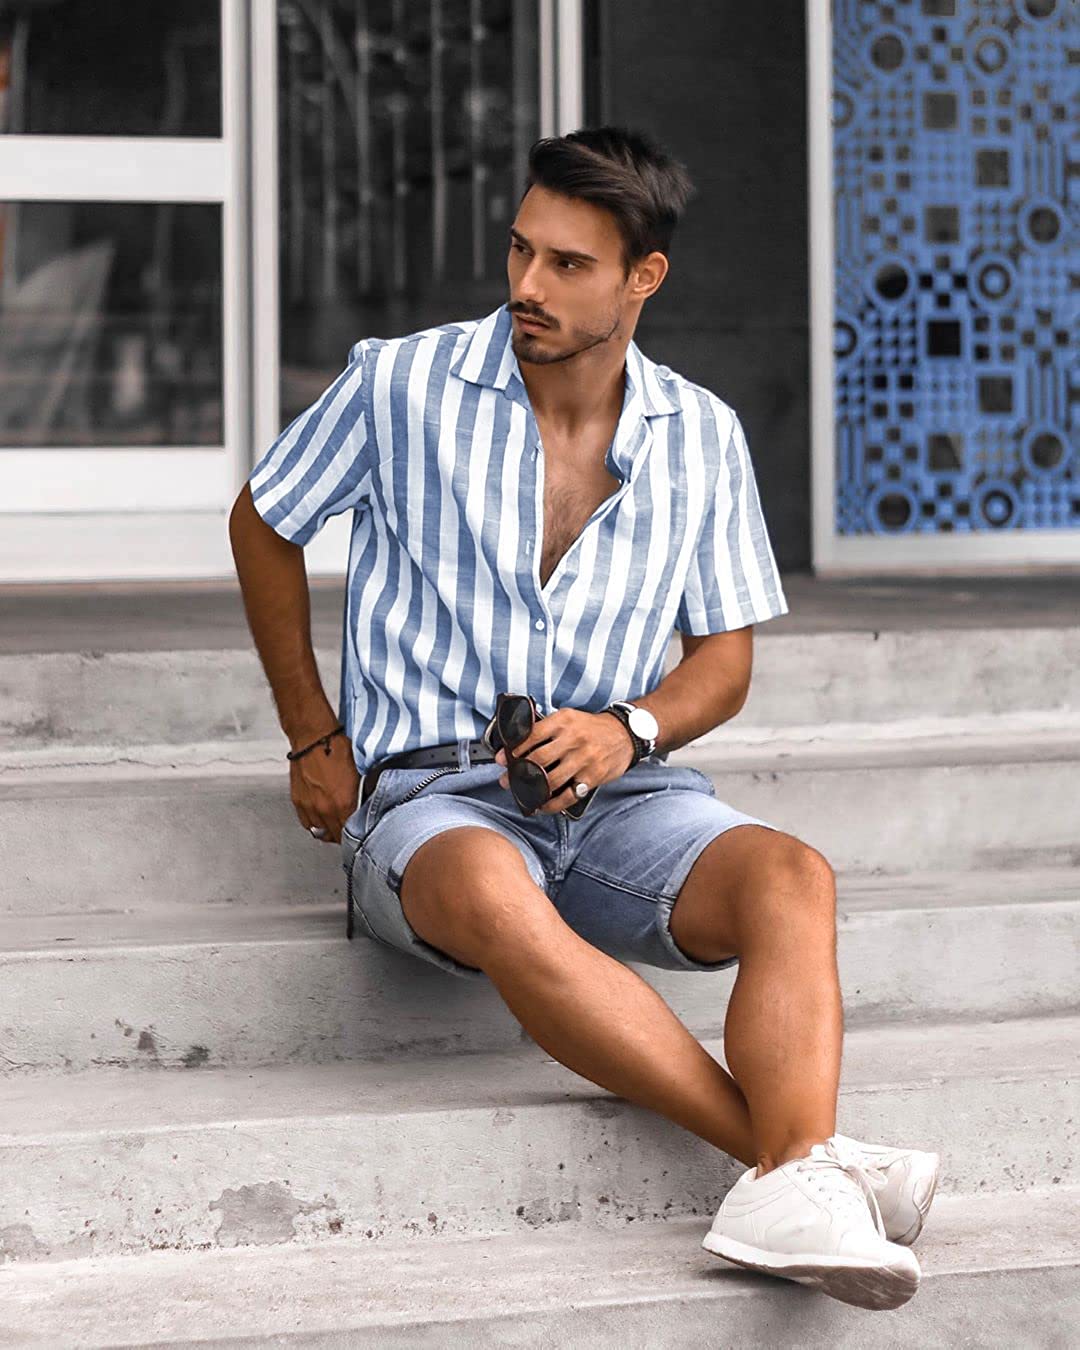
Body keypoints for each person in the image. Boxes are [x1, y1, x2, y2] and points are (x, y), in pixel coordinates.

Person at [229, 125, 939, 1312]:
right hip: (432, 803)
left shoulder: (701, 435)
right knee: (494, 885)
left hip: (621, 800)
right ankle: (802, 1166)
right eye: (521, 250)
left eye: (567, 264)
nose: (527, 284)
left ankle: (796, 1176)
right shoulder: (402, 384)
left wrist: (629, 730)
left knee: (793, 877)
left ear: (642, 278)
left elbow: (724, 661)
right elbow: (263, 520)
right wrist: (312, 734)